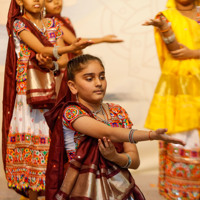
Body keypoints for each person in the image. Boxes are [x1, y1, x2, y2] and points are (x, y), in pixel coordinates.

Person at [44, 54, 185, 200]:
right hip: (82, 189)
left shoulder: (117, 111)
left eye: (102, 77)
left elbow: (135, 161)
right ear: (73, 86)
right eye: (89, 78)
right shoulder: (71, 112)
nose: (98, 83)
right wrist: (151, 135)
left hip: (120, 188)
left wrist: (115, 157)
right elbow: (109, 133)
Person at [2, 1, 93, 200]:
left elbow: (62, 60)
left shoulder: (53, 23)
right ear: (19, 1)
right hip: (27, 99)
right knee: (33, 150)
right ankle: (31, 196)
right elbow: (42, 48)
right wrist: (68, 48)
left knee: (55, 145)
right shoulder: (20, 24)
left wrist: (54, 62)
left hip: (53, 94)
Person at [143, 0, 200, 199]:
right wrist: (165, 28)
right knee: (184, 137)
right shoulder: (165, 17)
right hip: (180, 90)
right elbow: (176, 51)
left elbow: (187, 53)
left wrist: (194, 53)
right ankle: (182, 191)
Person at [44, 0, 123, 60]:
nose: (56, 2)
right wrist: (103, 39)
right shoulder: (51, 22)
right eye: (50, 0)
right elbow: (76, 42)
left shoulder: (66, 19)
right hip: (64, 63)